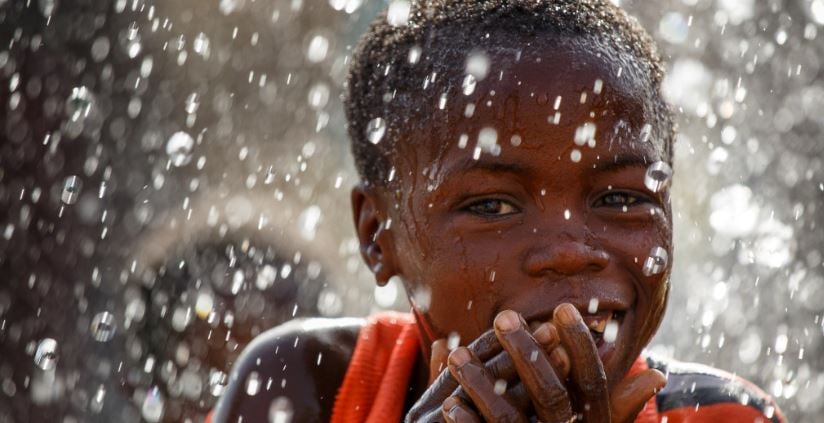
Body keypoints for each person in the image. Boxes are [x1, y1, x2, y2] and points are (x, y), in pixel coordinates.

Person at [210, 1, 784, 422]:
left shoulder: (723, 417)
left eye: (620, 198)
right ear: (376, 235)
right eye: (490, 205)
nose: (568, 250)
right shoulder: (308, 388)